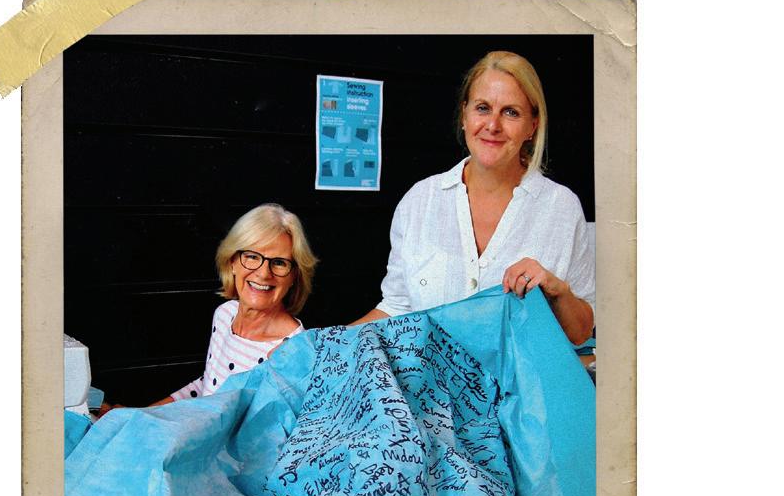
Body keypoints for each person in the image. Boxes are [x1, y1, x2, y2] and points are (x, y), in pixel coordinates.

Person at [353, 51, 594, 345]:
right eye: (482, 108)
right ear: (464, 115)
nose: (493, 125)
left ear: (532, 126)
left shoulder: (562, 208)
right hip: (430, 376)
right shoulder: (419, 201)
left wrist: (558, 292)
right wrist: (323, 346)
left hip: (524, 378)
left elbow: (581, 331)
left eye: (511, 112)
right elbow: (396, 308)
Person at [155, 202, 318, 404]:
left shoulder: (294, 349)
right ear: (232, 261)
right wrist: (140, 413)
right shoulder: (224, 314)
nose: (263, 274)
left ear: (294, 276)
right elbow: (208, 388)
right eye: (252, 256)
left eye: (279, 263)